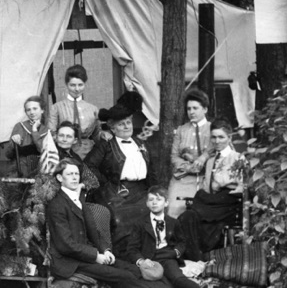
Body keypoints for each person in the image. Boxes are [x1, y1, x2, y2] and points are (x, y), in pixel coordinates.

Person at [47, 158, 141, 286]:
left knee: (134, 270)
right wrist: (96, 256)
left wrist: (105, 250)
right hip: (70, 262)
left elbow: (93, 233)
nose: (74, 178)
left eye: (76, 174)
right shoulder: (57, 205)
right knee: (125, 277)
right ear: (59, 177)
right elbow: (65, 245)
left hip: (86, 256)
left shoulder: (78, 199)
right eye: (69, 174)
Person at [84, 91, 157, 254]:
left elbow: (151, 171)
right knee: (120, 218)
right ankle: (123, 257)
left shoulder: (141, 143)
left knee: (153, 213)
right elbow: (89, 166)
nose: (127, 126)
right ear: (112, 127)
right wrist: (106, 183)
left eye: (129, 122)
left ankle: (148, 255)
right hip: (116, 191)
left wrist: (156, 191)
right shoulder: (106, 144)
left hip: (141, 191)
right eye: (122, 124)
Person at [178, 118, 247, 261]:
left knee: (200, 198)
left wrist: (227, 184)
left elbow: (243, 186)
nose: (217, 141)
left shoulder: (238, 158)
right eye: (214, 137)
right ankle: (194, 257)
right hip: (211, 203)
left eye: (221, 137)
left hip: (229, 202)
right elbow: (207, 186)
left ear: (229, 137)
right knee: (187, 216)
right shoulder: (210, 160)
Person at [127, 185, 200, 288]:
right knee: (157, 283)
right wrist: (142, 261)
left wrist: (175, 252)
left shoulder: (173, 222)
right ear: (147, 203)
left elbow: (181, 242)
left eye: (159, 199)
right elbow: (132, 248)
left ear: (166, 203)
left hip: (167, 256)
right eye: (151, 199)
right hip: (148, 259)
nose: (154, 202)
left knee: (177, 278)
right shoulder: (140, 223)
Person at [47, 64, 111, 159]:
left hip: (90, 152)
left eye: (80, 85)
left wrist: (103, 134)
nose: (77, 89)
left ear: (85, 84)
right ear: (66, 85)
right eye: (72, 85)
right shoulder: (56, 107)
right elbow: (51, 134)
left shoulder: (93, 109)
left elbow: (96, 135)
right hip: (65, 151)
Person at [167, 89, 212, 218]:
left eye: (195, 108)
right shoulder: (182, 130)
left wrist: (204, 159)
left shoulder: (213, 128)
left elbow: (219, 152)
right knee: (174, 211)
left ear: (205, 109)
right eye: (188, 109)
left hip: (206, 180)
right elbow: (174, 156)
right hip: (183, 179)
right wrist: (189, 168)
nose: (191, 112)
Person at [6, 96, 48, 177]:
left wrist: (34, 130)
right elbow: (8, 154)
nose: (31, 112)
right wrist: (13, 142)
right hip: (20, 167)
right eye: (28, 110)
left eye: (35, 109)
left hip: (40, 167)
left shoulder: (46, 130)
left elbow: (41, 149)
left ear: (42, 110)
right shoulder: (19, 126)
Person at [55, 121, 99, 192]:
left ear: (75, 140)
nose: (64, 139)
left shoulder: (75, 157)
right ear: (56, 137)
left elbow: (93, 181)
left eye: (69, 136)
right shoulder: (51, 155)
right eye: (61, 135)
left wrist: (81, 186)